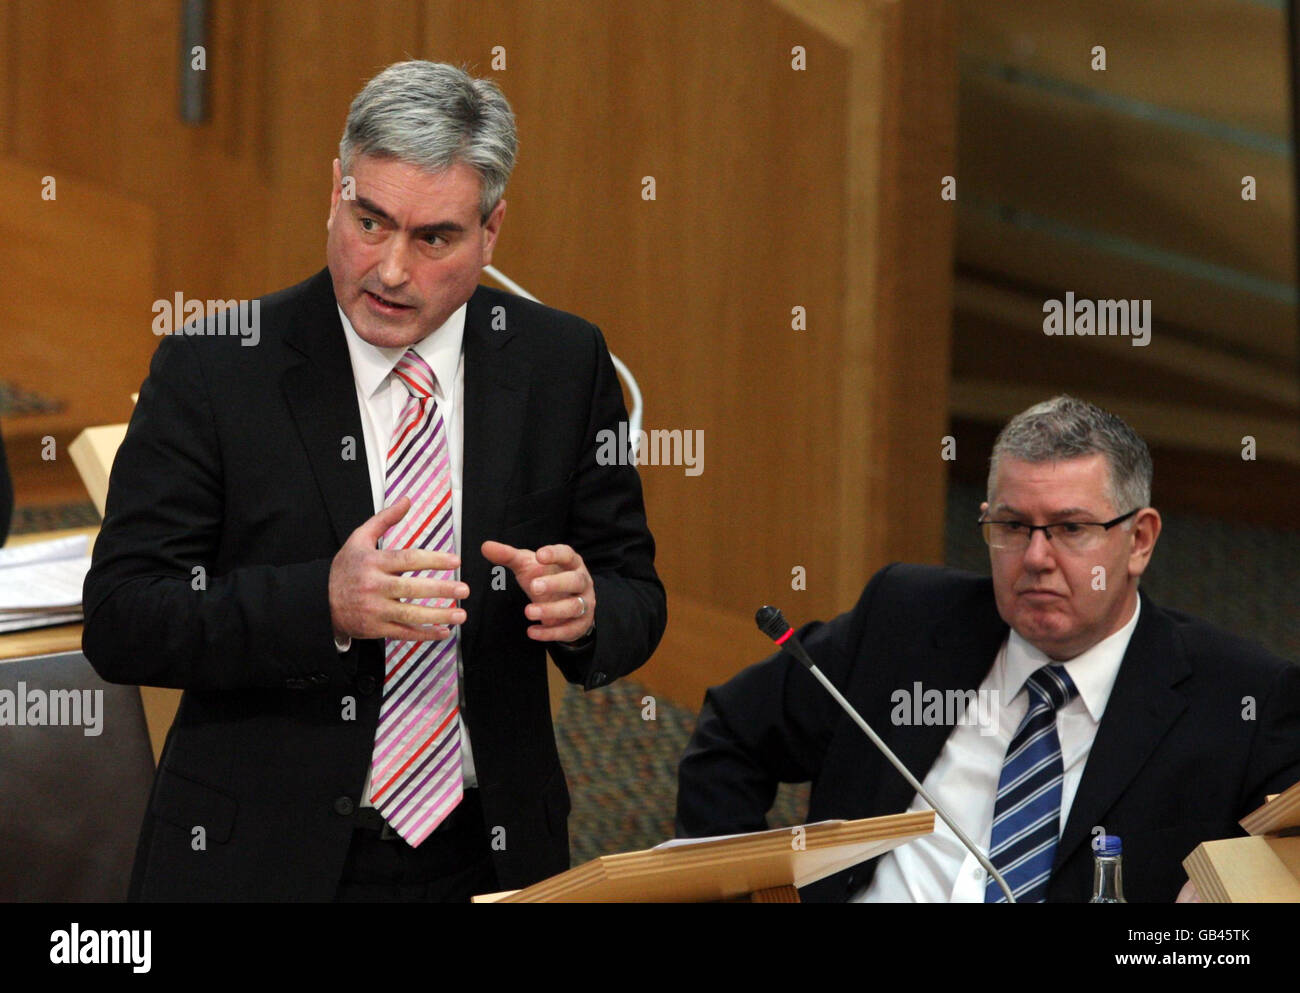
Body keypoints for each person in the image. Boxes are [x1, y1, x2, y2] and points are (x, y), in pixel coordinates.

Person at [83, 61, 666, 902]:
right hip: (262, 854)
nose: (390, 269)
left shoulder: (563, 365)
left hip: (488, 848)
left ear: (492, 230)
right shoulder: (214, 370)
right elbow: (122, 617)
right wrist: (320, 602)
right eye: (369, 221)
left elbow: (635, 593)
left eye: (434, 238)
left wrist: (587, 612)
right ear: (335, 189)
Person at [676, 395, 1300, 902]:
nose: (1034, 558)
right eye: (1011, 527)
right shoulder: (906, 621)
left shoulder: (1241, 698)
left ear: (1139, 540)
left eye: (1071, 529)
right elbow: (733, 734)